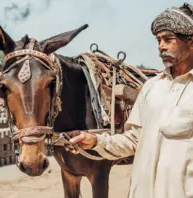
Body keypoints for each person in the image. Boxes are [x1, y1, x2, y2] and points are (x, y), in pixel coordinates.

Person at [66, 3, 193, 198]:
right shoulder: (152, 88)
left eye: (168, 39)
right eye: (158, 40)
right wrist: (95, 141)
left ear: (191, 42)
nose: (161, 46)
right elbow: (133, 140)